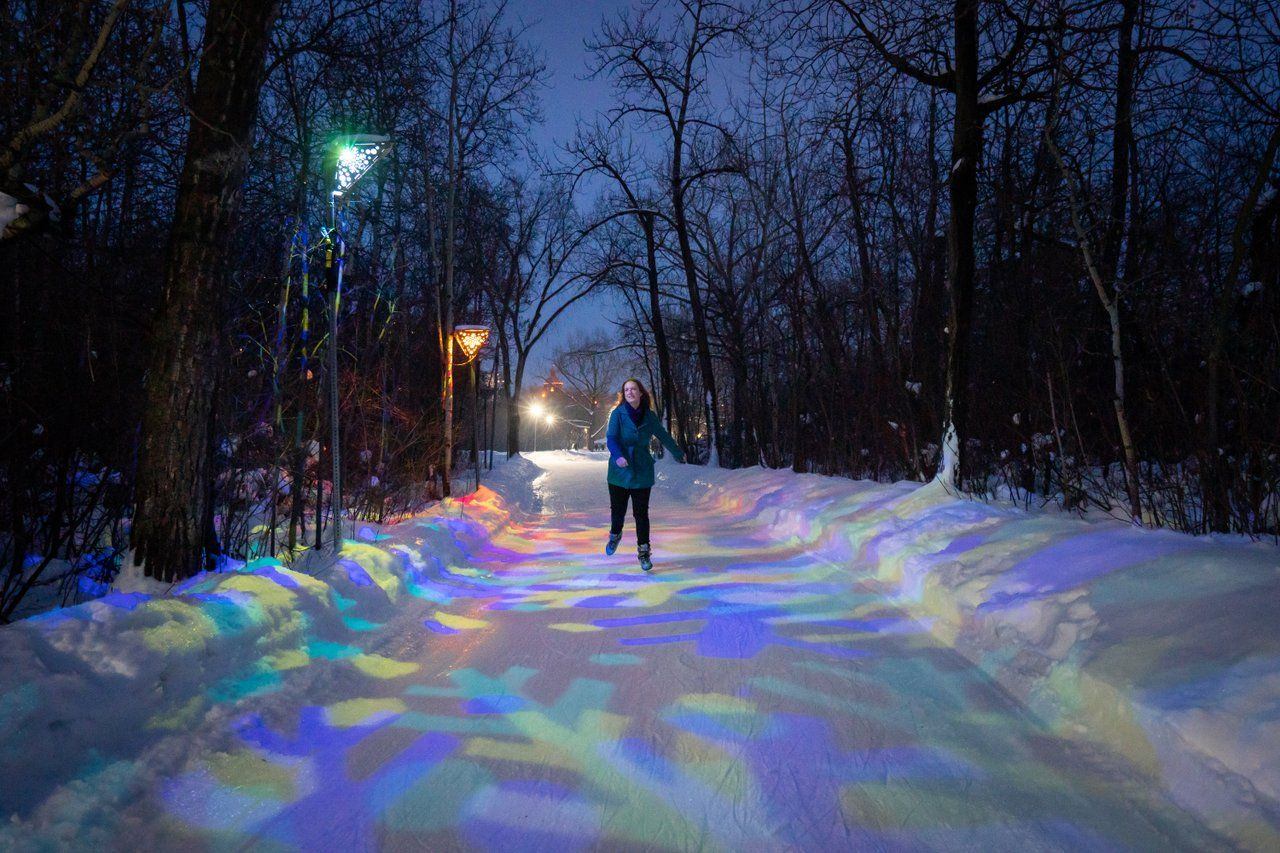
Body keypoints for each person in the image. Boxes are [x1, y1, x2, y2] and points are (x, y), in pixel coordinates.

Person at [605, 377, 684, 571]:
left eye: (633, 389)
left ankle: (644, 552)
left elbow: (663, 435)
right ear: (623, 395)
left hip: (642, 470)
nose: (629, 392)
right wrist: (617, 456)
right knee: (618, 511)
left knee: (641, 514)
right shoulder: (618, 413)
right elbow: (611, 438)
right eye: (626, 390)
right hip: (619, 471)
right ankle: (615, 535)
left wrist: (677, 452)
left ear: (641, 393)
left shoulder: (649, 416)